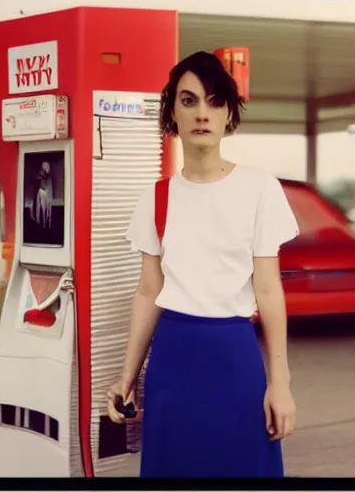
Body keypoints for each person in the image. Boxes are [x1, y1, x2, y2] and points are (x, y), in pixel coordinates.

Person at [106, 51, 300, 478]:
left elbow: (268, 290)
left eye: (215, 101)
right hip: (173, 359)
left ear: (229, 113)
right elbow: (148, 292)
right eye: (189, 100)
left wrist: (280, 383)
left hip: (235, 358)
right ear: (171, 112)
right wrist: (126, 377)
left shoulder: (259, 188)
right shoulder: (156, 198)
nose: (202, 113)